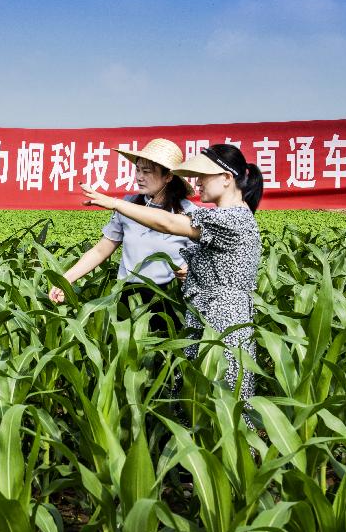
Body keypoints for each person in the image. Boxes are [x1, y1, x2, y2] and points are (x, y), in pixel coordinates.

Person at [81, 144, 263, 424]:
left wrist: (115, 203)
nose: (197, 182)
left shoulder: (232, 219)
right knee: (198, 407)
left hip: (223, 324)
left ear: (227, 178)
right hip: (205, 317)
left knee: (222, 409)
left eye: (204, 175)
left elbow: (167, 223)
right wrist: (191, 271)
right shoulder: (226, 217)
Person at [49, 138, 197, 328]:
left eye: (147, 172)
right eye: (138, 170)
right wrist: (66, 280)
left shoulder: (188, 213)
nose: (139, 177)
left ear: (168, 176)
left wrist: (189, 269)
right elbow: (101, 250)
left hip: (168, 299)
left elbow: (200, 257)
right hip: (128, 296)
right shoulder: (128, 205)